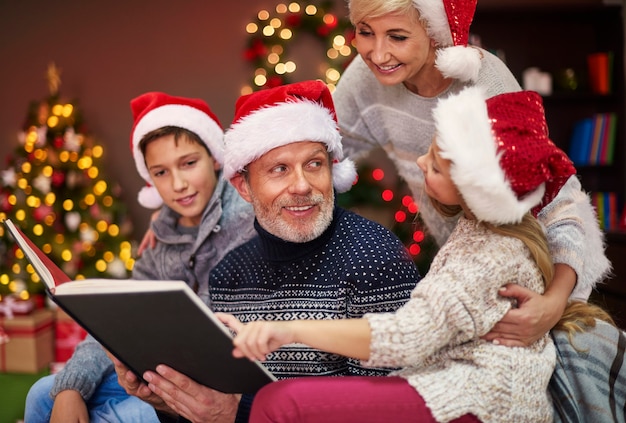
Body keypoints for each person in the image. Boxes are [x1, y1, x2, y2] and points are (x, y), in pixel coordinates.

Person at [221, 87, 617, 423]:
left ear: (472, 187)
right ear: (243, 186)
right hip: (452, 385)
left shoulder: (488, 255)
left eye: (438, 166)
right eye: (279, 170)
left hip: (481, 401)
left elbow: (408, 338)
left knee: (281, 403)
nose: (421, 163)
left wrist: (288, 330)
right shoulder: (475, 232)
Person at [108, 80, 421, 423]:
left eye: (314, 164)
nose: (302, 185)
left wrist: (238, 413)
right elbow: (217, 406)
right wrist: (171, 400)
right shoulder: (230, 275)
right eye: (279, 169)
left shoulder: (374, 258)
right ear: (243, 186)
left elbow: (387, 413)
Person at [333, 0, 611, 345]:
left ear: (435, 33)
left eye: (398, 37)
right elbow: (325, 148)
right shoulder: (364, 78)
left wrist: (554, 303)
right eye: (365, 33)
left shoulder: (484, 82)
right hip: (463, 264)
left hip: (538, 271)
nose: (377, 53)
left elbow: (559, 203)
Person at [24, 92, 256, 423]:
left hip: (211, 387)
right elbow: (116, 323)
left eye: (189, 163)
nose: (178, 184)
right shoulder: (158, 241)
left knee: (116, 416)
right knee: (45, 395)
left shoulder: (246, 220)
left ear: (215, 158)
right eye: (160, 173)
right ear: (149, 178)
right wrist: (71, 387)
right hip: (154, 375)